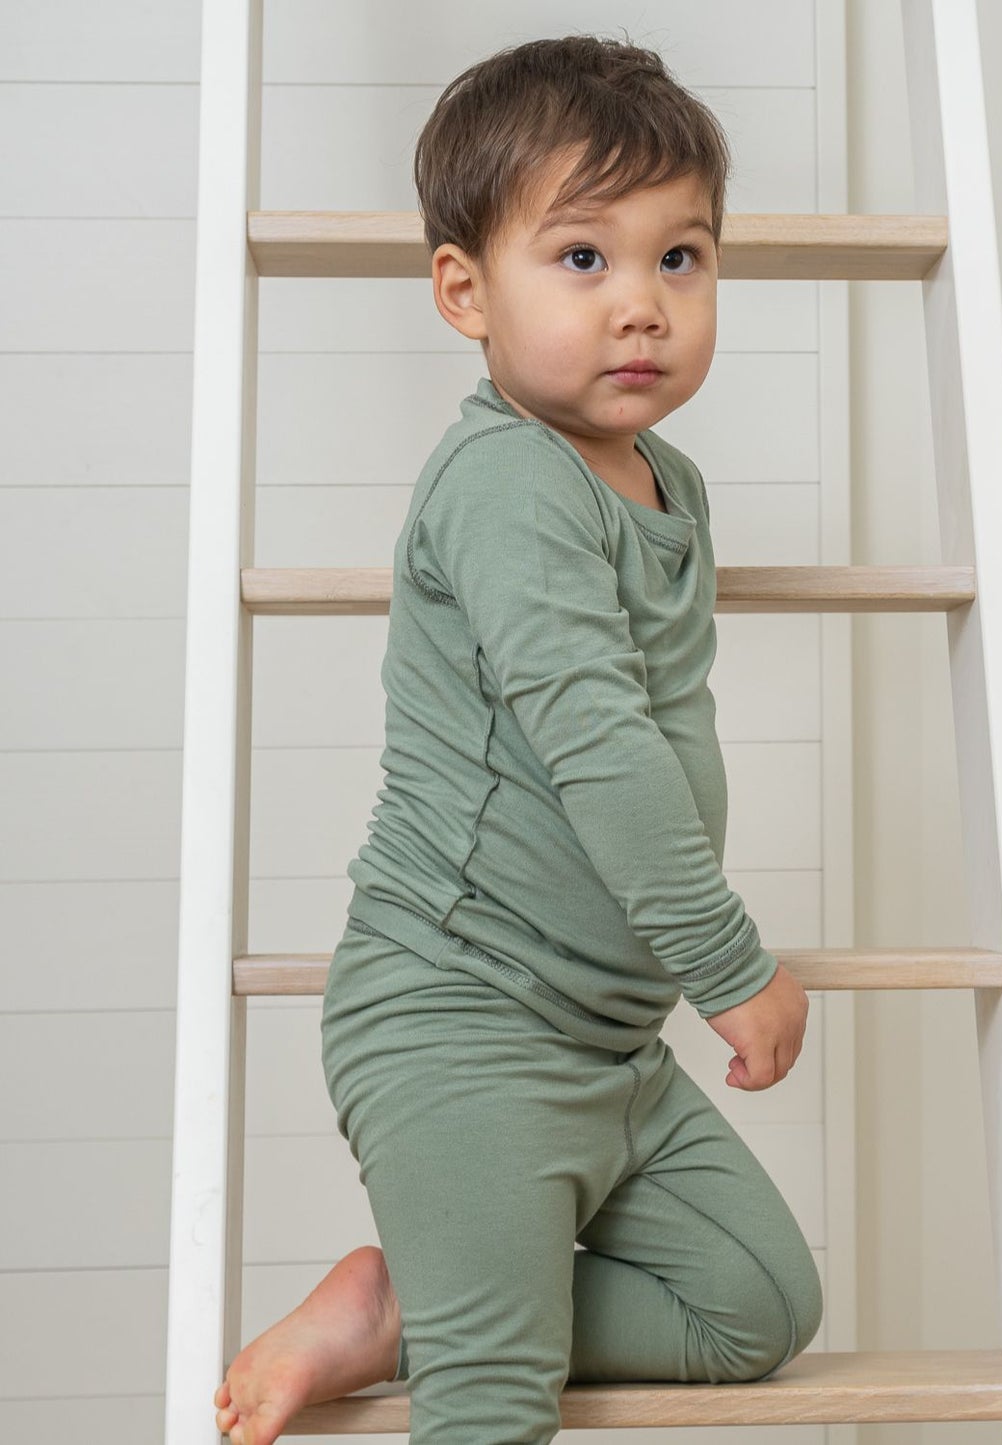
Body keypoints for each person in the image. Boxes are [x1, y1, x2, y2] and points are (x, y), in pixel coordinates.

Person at [212, 33, 823, 1445]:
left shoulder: (663, 477)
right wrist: (726, 964)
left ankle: (422, 1302)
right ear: (464, 291)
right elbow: (599, 747)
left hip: (606, 1045)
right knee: (494, 1409)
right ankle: (467, 1317)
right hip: (463, 1020)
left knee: (754, 1306)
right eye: (584, 259)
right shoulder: (503, 481)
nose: (643, 307)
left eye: (681, 258)